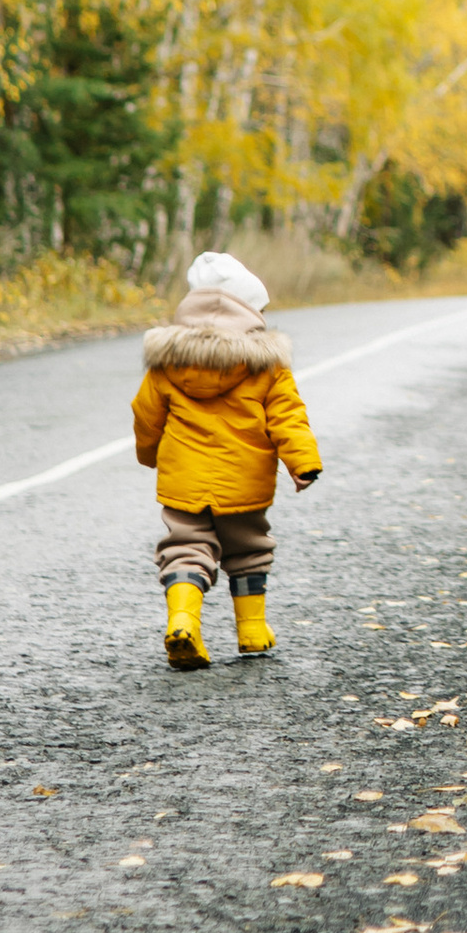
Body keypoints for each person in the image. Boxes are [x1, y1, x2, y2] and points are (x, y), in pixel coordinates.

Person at [131, 249, 321, 668]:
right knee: (249, 549)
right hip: (245, 480)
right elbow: (288, 416)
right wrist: (302, 462)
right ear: (249, 310)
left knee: (184, 549)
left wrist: (150, 456)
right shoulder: (267, 364)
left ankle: (183, 621)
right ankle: (252, 630)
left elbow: (147, 415)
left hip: (184, 481)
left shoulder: (167, 362)